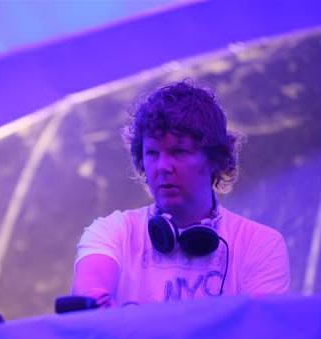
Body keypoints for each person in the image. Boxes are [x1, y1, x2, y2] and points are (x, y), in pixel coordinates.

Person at [71, 80, 290, 308]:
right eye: (152, 153)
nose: (163, 166)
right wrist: (93, 301)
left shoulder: (260, 245)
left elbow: (261, 325)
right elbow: (88, 295)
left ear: (214, 159)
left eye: (178, 151)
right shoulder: (112, 232)